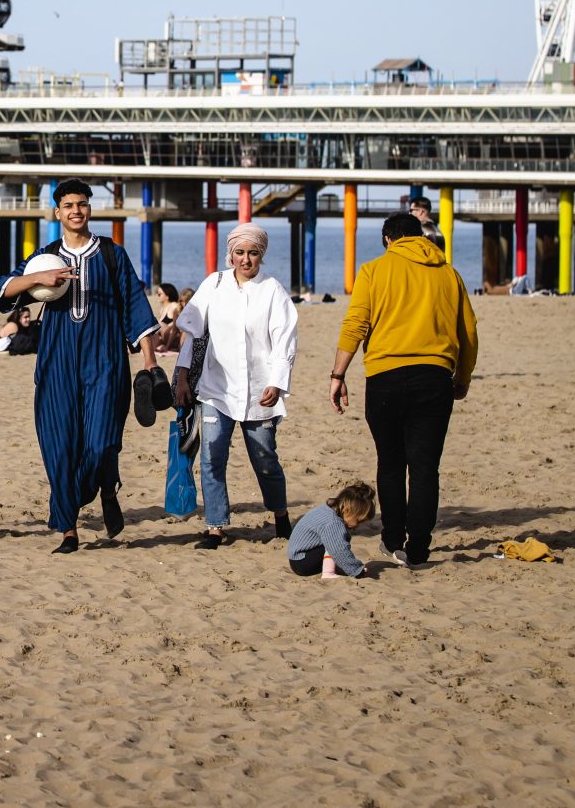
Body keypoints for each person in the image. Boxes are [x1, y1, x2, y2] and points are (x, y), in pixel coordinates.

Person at [0, 179, 159, 554]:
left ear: (89, 208)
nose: (75, 211)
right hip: (57, 360)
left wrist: (150, 363)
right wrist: (38, 278)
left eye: (81, 204)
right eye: (68, 205)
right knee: (59, 442)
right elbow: (3, 289)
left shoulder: (111, 255)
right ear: (57, 212)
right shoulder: (45, 255)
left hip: (106, 358)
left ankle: (104, 482)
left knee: (101, 442)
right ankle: (69, 529)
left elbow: (136, 307)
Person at [329, 212, 478, 568]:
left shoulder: (373, 271)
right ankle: (420, 548)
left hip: (385, 377)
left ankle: (393, 539)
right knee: (426, 467)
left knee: (391, 462)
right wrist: (463, 378)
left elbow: (356, 324)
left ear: (388, 241)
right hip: (435, 377)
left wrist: (338, 374)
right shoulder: (448, 274)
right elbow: (468, 332)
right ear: (422, 238)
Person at [174, 223, 298, 549]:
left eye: (253, 253)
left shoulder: (273, 291)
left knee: (265, 458)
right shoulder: (213, 284)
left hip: (260, 392)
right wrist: (183, 376)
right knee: (212, 457)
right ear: (230, 254)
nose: (246, 259)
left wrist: (277, 382)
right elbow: (192, 333)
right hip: (216, 389)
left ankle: (281, 515)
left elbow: (285, 342)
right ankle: (216, 527)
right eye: (240, 252)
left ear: (261, 256)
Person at [286, 481, 376, 578]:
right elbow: (339, 550)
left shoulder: (327, 509)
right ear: (347, 510)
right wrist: (356, 570)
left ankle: (333, 567)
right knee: (335, 545)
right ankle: (328, 574)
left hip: (297, 557)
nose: (358, 525)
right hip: (302, 562)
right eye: (358, 521)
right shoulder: (333, 522)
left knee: (334, 543)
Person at [152, 282, 184, 353]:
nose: (157, 295)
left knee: (159, 324)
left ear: (167, 296)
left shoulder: (174, 306)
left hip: (175, 338)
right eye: (157, 293)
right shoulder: (163, 308)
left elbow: (177, 325)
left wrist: (167, 347)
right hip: (166, 337)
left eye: (159, 294)